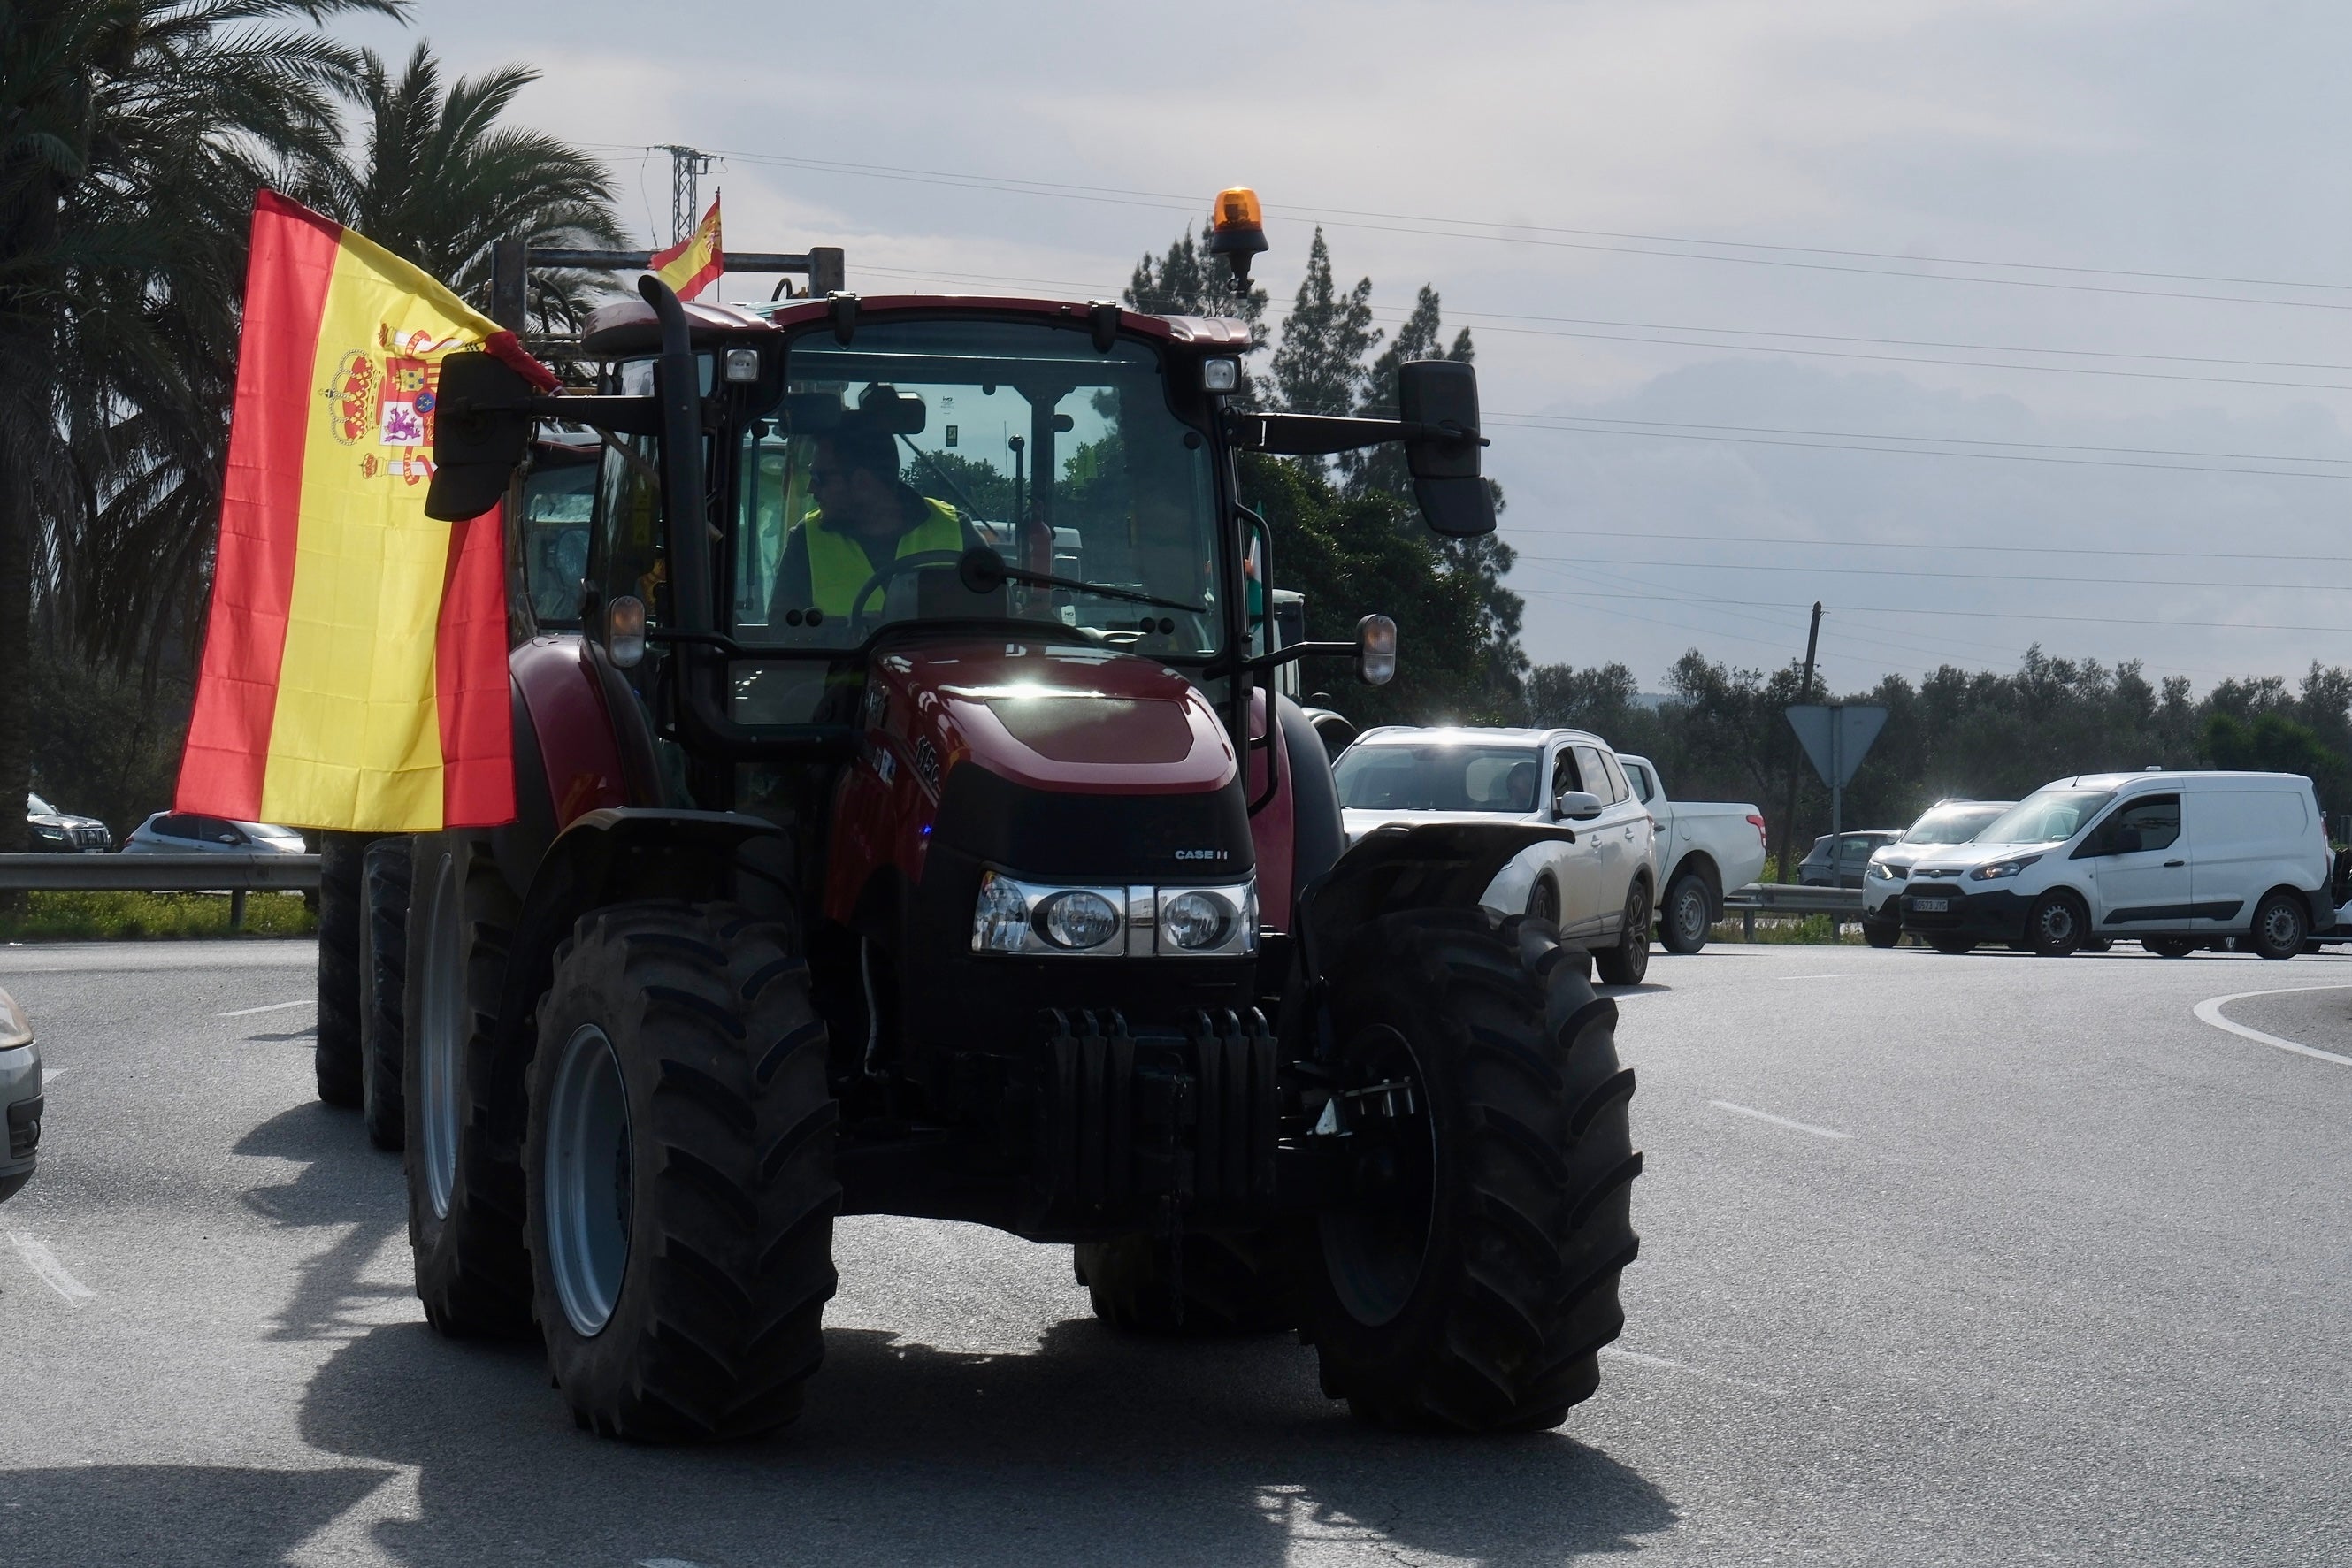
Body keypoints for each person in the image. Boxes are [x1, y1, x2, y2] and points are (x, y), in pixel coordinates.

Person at [770, 424, 982, 623]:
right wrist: (851, 633)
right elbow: (782, 627)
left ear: (863, 482)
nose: (810, 489)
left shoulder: (957, 528)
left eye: (819, 477)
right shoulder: (806, 537)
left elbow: (993, 617)